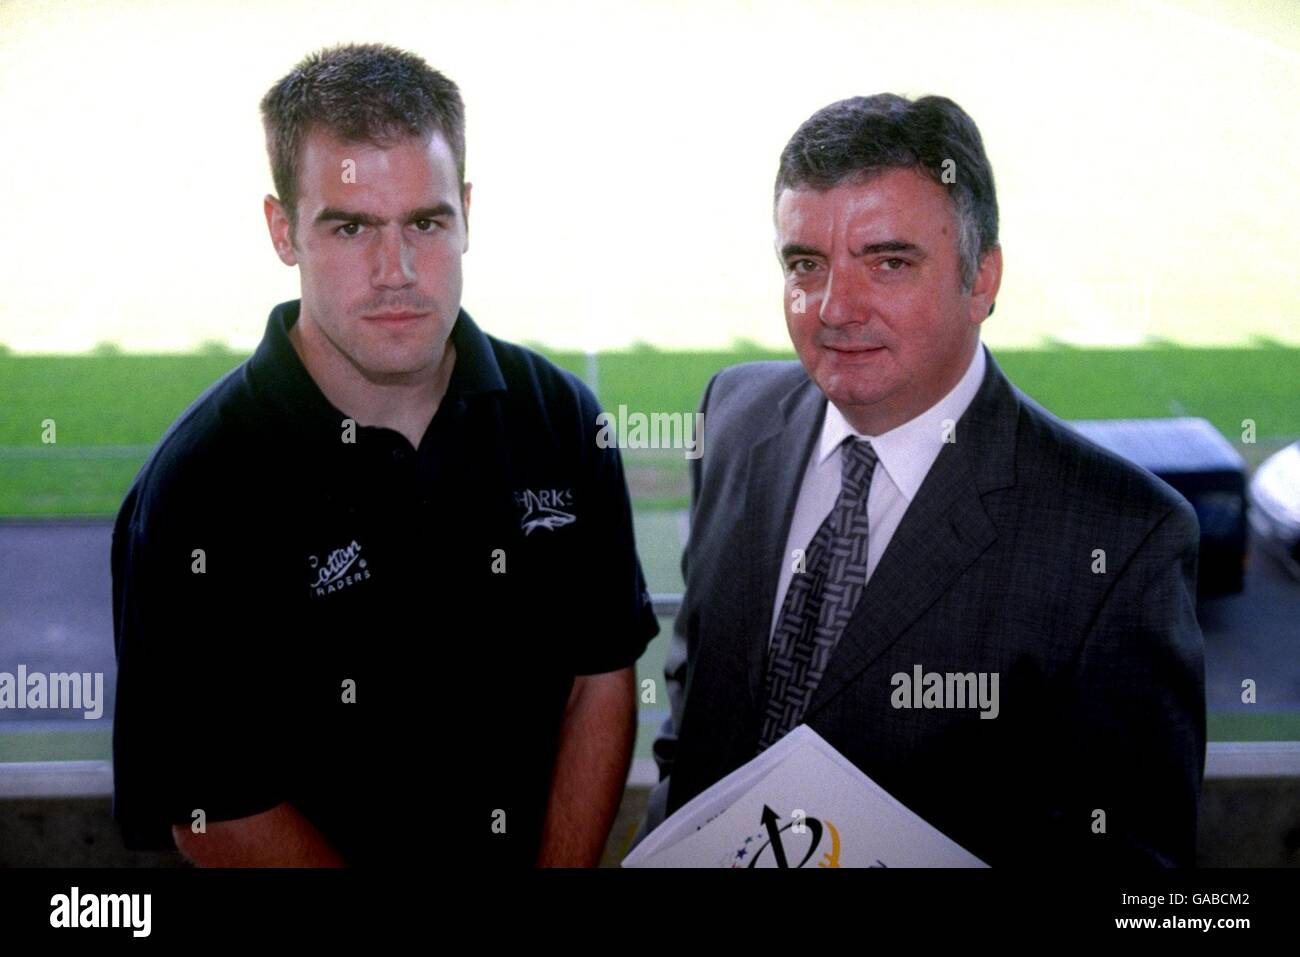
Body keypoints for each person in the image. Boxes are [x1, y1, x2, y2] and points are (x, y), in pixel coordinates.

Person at [110, 42, 657, 868]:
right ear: (281, 230)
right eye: (352, 225)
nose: (396, 270)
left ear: (467, 211)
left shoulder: (561, 420)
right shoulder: (200, 485)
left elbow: (599, 674)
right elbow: (211, 807)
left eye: (426, 223)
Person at [641, 94, 1205, 867]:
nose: (834, 307)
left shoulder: (1122, 539)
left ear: (982, 279)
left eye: (889, 262)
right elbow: (694, 722)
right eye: (805, 264)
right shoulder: (734, 418)